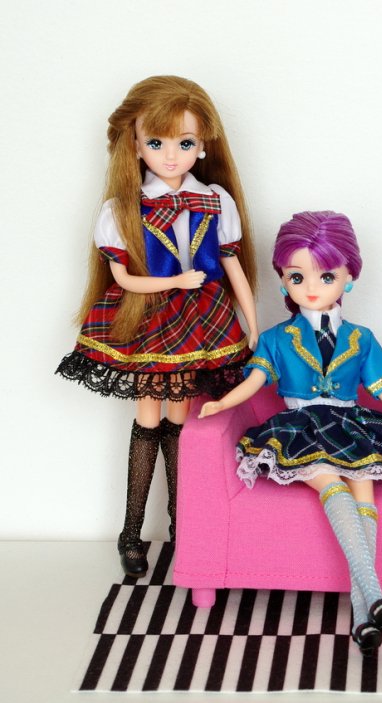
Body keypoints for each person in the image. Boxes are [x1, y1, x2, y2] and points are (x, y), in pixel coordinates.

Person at [199, 210, 382, 654]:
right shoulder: (277, 338)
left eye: (327, 275)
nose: (312, 287)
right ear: (283, 281)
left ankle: (364, 617)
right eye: (297, 277)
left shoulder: (361, 338)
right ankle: (373, 595)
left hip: (353, 427)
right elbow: (256, 381)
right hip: (302, 427)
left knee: (365, 495)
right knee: (333, 486)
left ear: (348, 278)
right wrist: (222, 403)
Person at [56, 76, 258, 578]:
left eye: (184, 143)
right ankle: (131, 532)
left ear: (203, 145)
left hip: (203, 322)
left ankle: (182, 522)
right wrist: (177, 282)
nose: (171, 156)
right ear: (134, 144)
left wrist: (253, 325)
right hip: (149, 319)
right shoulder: (122, 209)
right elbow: (123, 278)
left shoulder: (216, 200)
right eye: (157, 142)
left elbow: (232, 265)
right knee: (148, 421)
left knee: (180, 422)